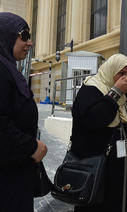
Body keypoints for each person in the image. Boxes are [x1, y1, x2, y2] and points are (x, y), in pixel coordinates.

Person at [69, 53, 127, 212]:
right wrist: (115, 92)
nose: (125, 78)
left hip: (120, 167)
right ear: (110, 71)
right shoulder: (91, 89)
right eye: (121, 73)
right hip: (97, 168)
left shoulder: (126, 93)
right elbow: (94, 119)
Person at [0, 12, 48, 211]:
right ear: (6, 36)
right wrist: (31, 147)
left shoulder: (9, 69)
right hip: (7, 176)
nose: (29, 43)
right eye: (25, 36)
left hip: (15, 170)